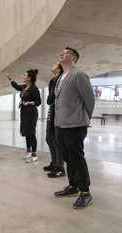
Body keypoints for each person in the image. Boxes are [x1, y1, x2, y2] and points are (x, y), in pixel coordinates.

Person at [54, 47, 95, 209]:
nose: (61, 54)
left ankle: (85, 192)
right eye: (61, 52)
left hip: (75, 124)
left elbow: (89, 100)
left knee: (76, 157)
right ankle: (74, 185)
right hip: (60, 124)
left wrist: (85, 119)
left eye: (64, 53)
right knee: (67, 157)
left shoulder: (79, 75)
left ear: (73, 58)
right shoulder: (61, 77)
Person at [6, 69, 41, 163]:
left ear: (29, 78)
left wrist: (29, 102)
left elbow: (38, 102)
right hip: (24, 112)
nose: (23, 76)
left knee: (31, 132)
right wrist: (10, 79)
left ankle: (34, 154)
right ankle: (28, 151)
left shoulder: (34, 88)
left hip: (31, 113)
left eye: (25, 75)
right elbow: (16, 86)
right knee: (26, 132)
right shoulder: (25, 87)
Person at [43, 62, 65, 178]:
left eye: (56, 64)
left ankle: (60, 167)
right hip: (52, 109)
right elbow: (49, 99)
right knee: (49, 138)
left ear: (59, 68)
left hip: (59, 111)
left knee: (57, 140)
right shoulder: (53, 80)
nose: (53, 65)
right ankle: (54, 162)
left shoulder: (61, 79)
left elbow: (52, 97)